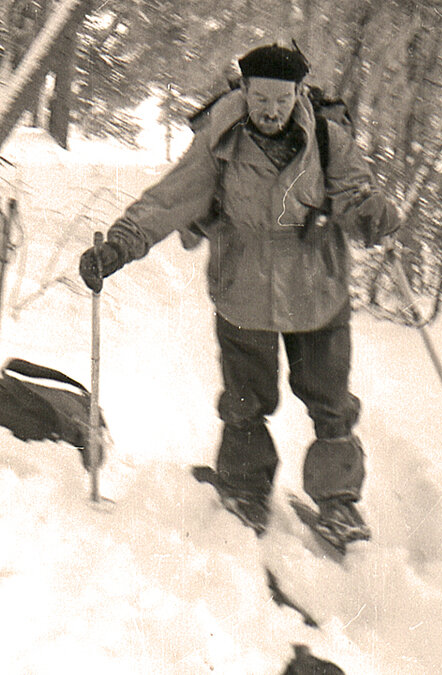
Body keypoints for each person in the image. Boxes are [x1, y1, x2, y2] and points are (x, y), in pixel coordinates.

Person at [77, 43, 399, 544]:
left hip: (317, 287)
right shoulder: (219, 141)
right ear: (244, 91)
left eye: (283, 99)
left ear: (299, 96)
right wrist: (118, 246)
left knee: (331, 401)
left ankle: (339, 504)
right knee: (246, 398)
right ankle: (246, 490)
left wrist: (372, 214)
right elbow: (168, 200)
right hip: (244, 285)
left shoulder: (329, 141)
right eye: (261, 99)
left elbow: (356, 193)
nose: (271, 110)